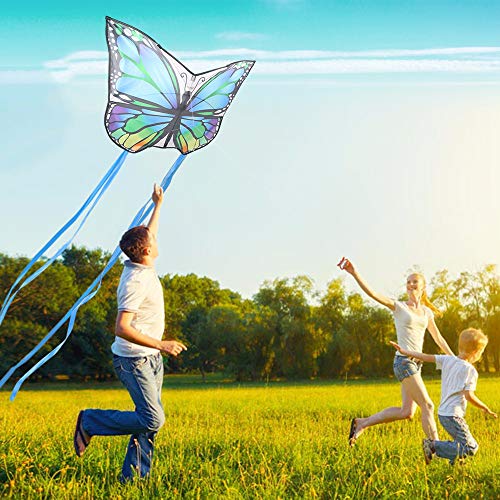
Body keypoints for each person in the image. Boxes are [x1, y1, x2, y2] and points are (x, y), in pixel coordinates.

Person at [73, 183, 187, 482]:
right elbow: (122, 328)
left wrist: (157, 205)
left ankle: (133, 478)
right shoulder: (135, 281)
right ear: (147, 250)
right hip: (134, 360)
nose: (156, 239)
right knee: (153, 418)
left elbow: (150, 233)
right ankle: (90, 420)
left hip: (149, 358)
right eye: (152, 240)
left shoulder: (144, 263)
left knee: (148, 422)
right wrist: (162, 344)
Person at [337, 257, 454, 446]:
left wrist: (454, 358)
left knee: (406, 412)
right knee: (428, 405)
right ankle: (436, 447)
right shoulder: (399, 307)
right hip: (404, 362)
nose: (410, 284)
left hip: (417, 363)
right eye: (408, 282)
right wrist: (354, 273)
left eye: (415, 281)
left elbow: (438, 338)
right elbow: (373, 294)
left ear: (423, 286)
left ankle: (361, 423)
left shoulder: (426, 312)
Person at [391, 328, 497, 464]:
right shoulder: (470, 370)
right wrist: (485, 408)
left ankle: (456, 465)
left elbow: (424, 356)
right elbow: (469, 395)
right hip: (453, 416)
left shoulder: (447, 360)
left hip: (443, 414)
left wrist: (405, 352)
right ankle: (433, 446)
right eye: (481, 352)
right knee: (470, 447)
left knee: (459, 444)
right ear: (475, 353)